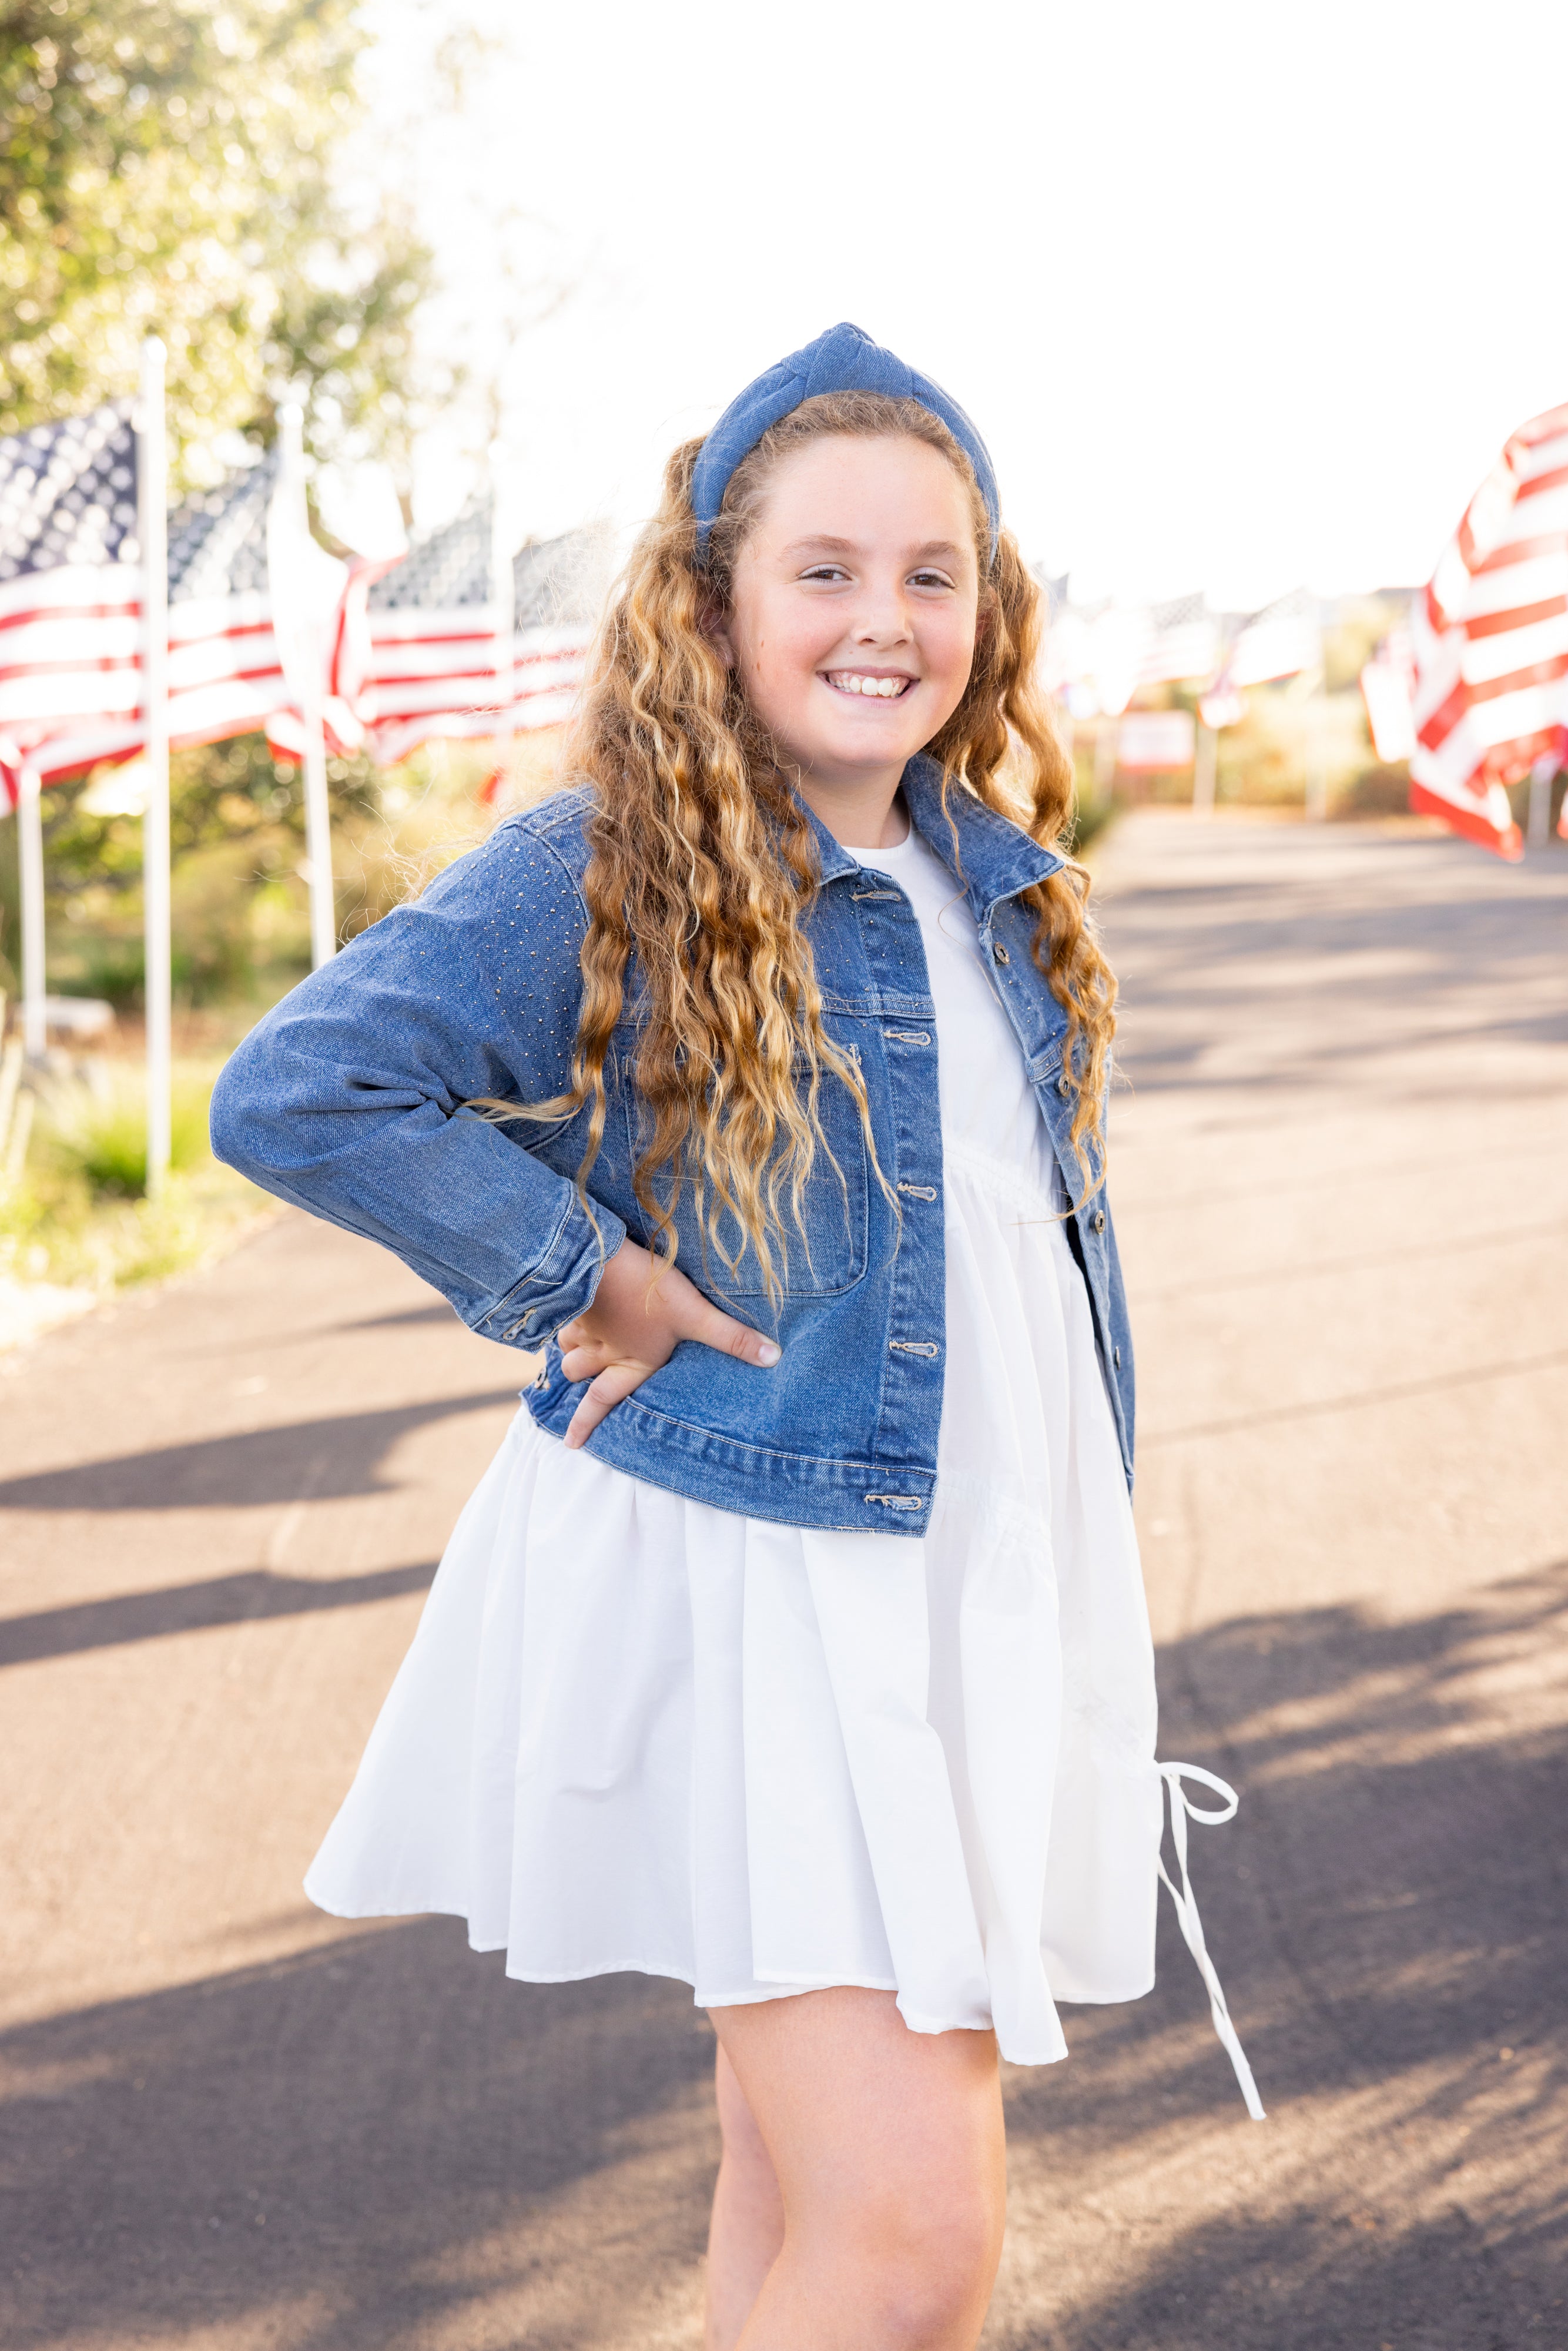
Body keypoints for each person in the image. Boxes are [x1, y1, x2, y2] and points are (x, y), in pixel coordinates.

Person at [211, 321, 1262, 2351]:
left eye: (930, 574)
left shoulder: (985, 881)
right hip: (787, 1594)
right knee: (909, 2247)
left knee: (792, 2201)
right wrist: (578, 1275)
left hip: (942, 1579)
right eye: (826, 572)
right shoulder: (614, 856)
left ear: (989, 601)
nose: (886, 618)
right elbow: (302, 1088)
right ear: (715, 603)